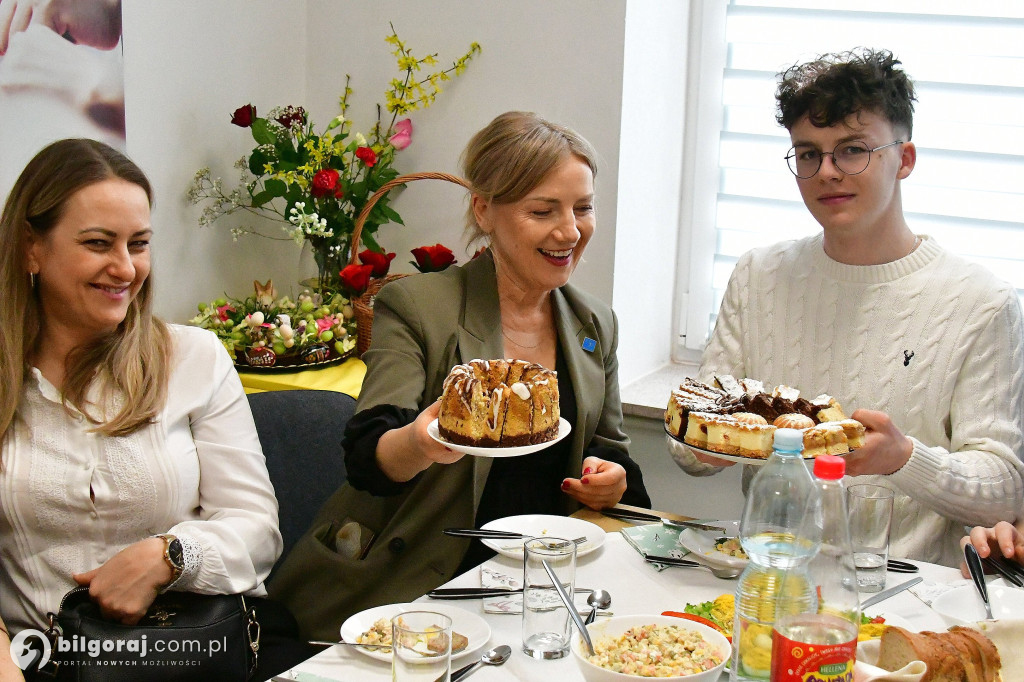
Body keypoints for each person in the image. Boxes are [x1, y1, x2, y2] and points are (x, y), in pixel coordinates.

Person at [270, 111, 651, 639]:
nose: (570, 230)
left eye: (583, 208)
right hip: (423, 578)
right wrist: (426, 440)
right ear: (485, 210)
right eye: (543, 211)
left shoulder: (594, 322)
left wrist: (611, 482)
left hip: (538, 586)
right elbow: (368, 457)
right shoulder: (418, 306)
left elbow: (610, 451)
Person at [670, 49, 1024, 568]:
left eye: (853, 150)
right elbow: (689, 446)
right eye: (809, 154)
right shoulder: (758, 275)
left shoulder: (981, 303)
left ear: (904, 160)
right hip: (770, 575)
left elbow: (1006, 489)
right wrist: (704, 445)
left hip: (909, 597)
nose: (828, 172)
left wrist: (905, 458)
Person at [0, 138, 302, 677]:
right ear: (31, 246)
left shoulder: (193, 357)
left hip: (192, 655)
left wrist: (169, 557)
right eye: (98, 243)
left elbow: (257, 531)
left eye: (138, 244)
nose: (125, 268)